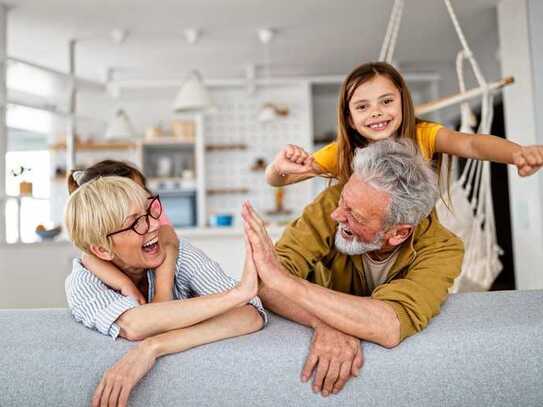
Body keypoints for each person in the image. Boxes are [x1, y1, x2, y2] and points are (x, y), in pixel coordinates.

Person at [243, 139, 464, 397]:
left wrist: (286, 283)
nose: (338, 215)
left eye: (355, 216)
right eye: (343, 201)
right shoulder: (334, 202)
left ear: (399, 233)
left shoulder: (444, 249)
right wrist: (325, 322)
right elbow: (263, 282)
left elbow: (388, 325)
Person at [64, 176, 267, 407]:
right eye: (135, 222)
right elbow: (135, 325)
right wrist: (237, 294)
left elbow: (251, 315)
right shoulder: (82, 282)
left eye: (150, 211)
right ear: (101, 250)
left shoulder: (179, 253)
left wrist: (154, 347)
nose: (153, 224)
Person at [266, 61, 543, 187]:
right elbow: (282, 180)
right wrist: (278, 167)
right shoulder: (342, 152)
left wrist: (517, 153)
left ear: (403, 102)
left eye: (386, 101)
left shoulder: (422, 135)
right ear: (349, 119)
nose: (376, 113)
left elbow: (471, 143)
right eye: (363, 107)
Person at [68, 160, 178, 305]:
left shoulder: (151, 210)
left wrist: (162, 292)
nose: (139, 196)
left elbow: (170, 242)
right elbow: (89, 258)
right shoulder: (86, 280)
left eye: (142, 189)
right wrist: (124, 284)